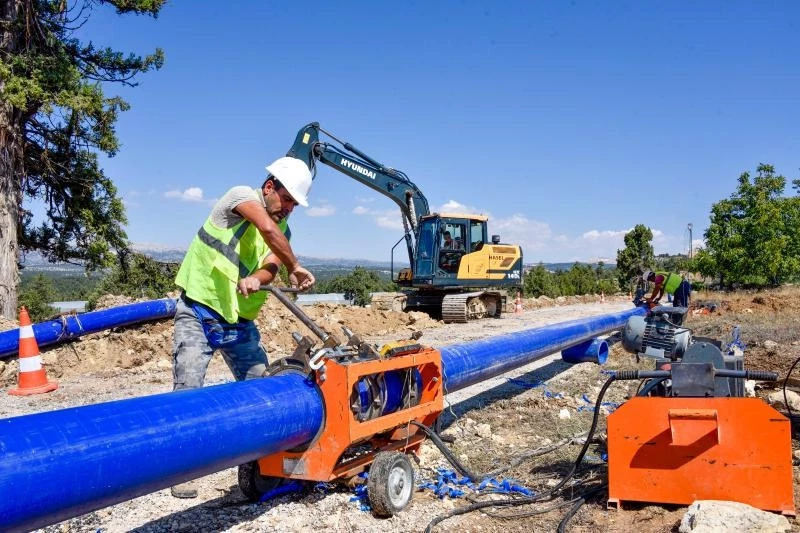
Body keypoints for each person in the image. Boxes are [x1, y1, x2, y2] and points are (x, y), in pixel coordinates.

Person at [169, 156, 315, 498]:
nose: (289, 209)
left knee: (262, 389)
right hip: (199, 311)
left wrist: (258, 278)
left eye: (295, 204)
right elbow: (267, 230)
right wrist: (296, 265)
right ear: (269, 187)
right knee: (188, 388)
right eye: (287, 199)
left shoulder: (284, 231)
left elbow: (270, 266)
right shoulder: (239, 197)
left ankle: (262, 465)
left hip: (239, 322)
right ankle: (181, 469)